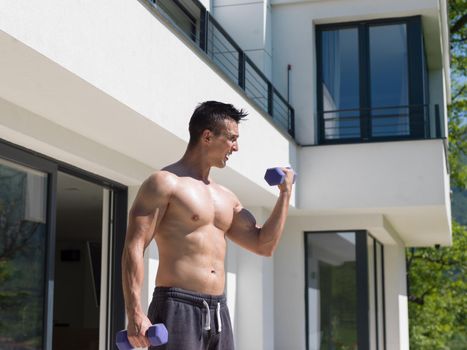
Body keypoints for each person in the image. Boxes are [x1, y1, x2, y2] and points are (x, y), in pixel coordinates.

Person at [121, 101, 294, 350]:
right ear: (207, 136)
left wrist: (285, 194)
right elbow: (134, 247)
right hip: (177, 305)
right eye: (232, 138)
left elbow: (263, 245)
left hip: (218, 310)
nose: (236, 147)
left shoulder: (226, 197)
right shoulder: (165, 183)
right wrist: (134, 312)